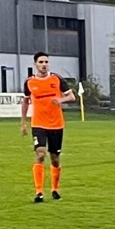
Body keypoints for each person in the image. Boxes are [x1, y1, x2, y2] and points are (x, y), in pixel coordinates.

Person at [20, 52, 76, 203]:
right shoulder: (29, 83)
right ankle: (39, 192)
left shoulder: (56, 79)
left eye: (46, 62)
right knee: (40, 154)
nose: (44, 64)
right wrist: (23, 122)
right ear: (35, 64)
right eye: (41, 62)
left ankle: (55, 189)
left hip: (56, 124)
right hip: (38, 124)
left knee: (55, 159)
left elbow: (72, 96)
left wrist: (61, 99)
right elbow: (25, 102)